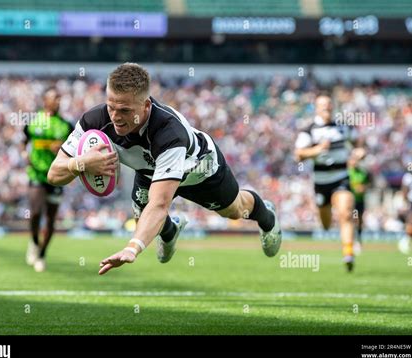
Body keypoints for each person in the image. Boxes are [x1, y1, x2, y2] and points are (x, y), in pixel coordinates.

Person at [47, 63, 282, 274]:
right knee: (143, 220)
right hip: (151, 171)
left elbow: (159, 204)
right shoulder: (93, 121)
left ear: (146, 105)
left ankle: (267, 216)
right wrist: (80, 163)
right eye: (111, 107)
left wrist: (133, 248)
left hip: (200, 169)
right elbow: (54, 174)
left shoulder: (168, 133)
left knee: (233, 211)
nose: (116, 117)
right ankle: (170, 231)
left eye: (125, 111)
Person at [294, 94, 361, 272]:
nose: (327, 108)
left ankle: (348, 253)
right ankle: (332, 228)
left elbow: (358, 143)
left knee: (346, 213)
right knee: (325, 223)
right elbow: (299, 154)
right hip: (321, 181)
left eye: (329, 104)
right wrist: (317, 150)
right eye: (323, 105)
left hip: (341, 177)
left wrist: (358, 153)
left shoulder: (343, 126)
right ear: (316, 108)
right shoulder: (309, 129)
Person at [24, 87, 73, 272]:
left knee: (51, 219)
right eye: (55, 98)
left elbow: (76, 148)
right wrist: (24, 154)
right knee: (35, 213)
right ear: (45, 100)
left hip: (57, 177)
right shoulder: (33, 121)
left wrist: (62, 148)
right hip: (37, 173)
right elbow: (24, 140)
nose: (58, 101)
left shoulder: (66, 125)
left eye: (60, 98)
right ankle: (34, 242)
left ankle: (42, 254)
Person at [348, 148, 371, 254]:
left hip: (360, 201)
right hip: (350, 201)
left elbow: (368, 184)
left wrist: (363, 188)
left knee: (359, 221)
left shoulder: (363, 172)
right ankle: (350, 242)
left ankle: (358, 241)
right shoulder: (348, 172)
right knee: (352, 220)